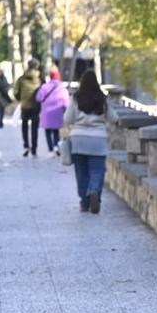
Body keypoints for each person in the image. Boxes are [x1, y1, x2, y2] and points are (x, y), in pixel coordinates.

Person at [61, 70, 108, 213]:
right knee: (97, 170)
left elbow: (67, 119)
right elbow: (114, 117)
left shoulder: (76, 99)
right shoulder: (102, 98)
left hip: (79, 139)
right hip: (98, 140)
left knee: (81, 172)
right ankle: (94, 191)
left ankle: (84, 202)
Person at [36, 68, 69, 155]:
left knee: (47, 131)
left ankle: (50, 148)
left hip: (47, 113)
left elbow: (39, 98)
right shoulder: (62, 88)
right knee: (56, 131)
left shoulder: (45, 86)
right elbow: (66, 102)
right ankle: (57, 146)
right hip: (58, 112)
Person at [12, 58, 41, 157]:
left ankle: (26, 146)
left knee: (24, 126)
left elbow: (15, 92)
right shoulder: (40, 78)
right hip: (36, 106)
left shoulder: (21, 79)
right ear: (37, 67)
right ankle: (34, 148)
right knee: (34, 128)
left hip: (25, 106)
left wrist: (21, 99)